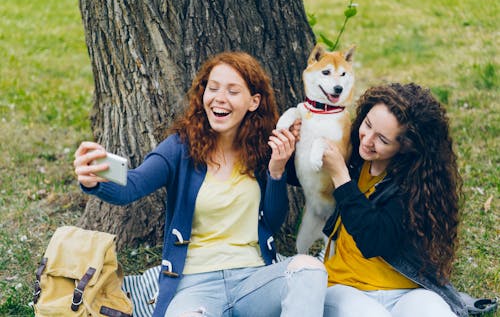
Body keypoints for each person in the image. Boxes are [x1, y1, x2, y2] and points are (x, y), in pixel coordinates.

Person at [73, 51, 327, 317]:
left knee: (309, 270)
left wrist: (277, 172)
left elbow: (273, 223)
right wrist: (96, 179)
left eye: (232, 91)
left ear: (253, 102)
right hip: (194, 286)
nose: (219, 98)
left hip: (253, 280)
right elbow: (132, 186)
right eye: (213, 88)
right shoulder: (180, 148)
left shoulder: (263, 149)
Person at [320, 83, 468, 317]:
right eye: (367, 125)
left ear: (405, 147)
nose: (367, 140)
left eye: (382, 140)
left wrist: (340, 176)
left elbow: (374, 239)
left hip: (405, 291)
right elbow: (299, 173)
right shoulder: (352, 155)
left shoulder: (414, 185)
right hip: (345, 286)